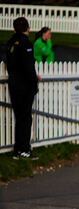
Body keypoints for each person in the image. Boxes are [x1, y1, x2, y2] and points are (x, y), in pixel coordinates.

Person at [7, 17, 40, 160]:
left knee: (19, 117)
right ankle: (24, 149)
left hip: (13, 83)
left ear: (14, 29)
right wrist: (34, 84)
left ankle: (17, 150)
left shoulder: (11, 42)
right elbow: (28, 67)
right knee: (25, 118)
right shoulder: (26, 43)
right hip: (24, 86)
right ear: (28, 29)